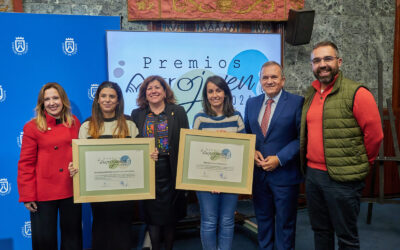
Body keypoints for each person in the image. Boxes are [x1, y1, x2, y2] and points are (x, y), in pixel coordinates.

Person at [300, 41, 383, 250]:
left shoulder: (357, 93)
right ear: (312, 65)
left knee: (346, 237)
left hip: (343, 179)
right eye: (317, 60)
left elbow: (375, 136)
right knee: (321, 231)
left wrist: (361, 164)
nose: (322, 64)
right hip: (313, 176)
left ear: (339, 61)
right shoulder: (310, 93)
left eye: (327, 59)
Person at [70, 81, 140, 250]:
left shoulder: (129, 125)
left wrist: (150, 155)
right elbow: (80, 158)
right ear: (98, 100)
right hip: (98, 190)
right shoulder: (87, 126)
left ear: (118, 101)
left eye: (112, 96)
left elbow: (139, 157)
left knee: (123, 230)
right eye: (103, 96)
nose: (107, 100)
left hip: (125, 190)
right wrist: (75, 167)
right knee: (101, 228)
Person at [244, 61, 304, 250]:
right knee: (263, 222)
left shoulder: (297, 102)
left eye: (274, 77)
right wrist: (251, 150)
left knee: (285, 224)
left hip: (284, 175)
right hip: (259, 175)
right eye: (265, 77)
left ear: (283, 80)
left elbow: (301, 138)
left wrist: (279, 158)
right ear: (260, 81)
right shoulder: (251, 103)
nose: (269, 81)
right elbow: (247, 134)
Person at [18, 82, 82, 250]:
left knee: (72, 239)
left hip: (71, 188)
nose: (52, 102)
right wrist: (27, 195)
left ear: (63, 100)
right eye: (47, 99)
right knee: (44, 241)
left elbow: (81, 153)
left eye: (55, 98)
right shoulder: (32, 127)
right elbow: (26, 163)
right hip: (43, 193)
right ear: (42, 103)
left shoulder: (74, 122)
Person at [131, 75, 189, 250]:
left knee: (170, 218)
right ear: (144, 93)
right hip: (148, 174)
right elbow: (133, 145)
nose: (153, 91)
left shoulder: (177, 111)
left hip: (170, 172)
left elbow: (186, 142)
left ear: (165, 92)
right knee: (152, 219)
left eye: (157, 87)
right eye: (149, 88)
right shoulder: (137, 114)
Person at [192, 75, 245, 250]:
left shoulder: (236, 117)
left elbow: (243, 151)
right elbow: (196, 153)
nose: (215, 95)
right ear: (206, 95)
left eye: (218, 90)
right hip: (206, 180)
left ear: (225, 93)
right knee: (208, 221)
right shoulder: (200, 118)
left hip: (231, 179)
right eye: (210, 91)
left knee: (228, 221)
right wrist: (212, 180)